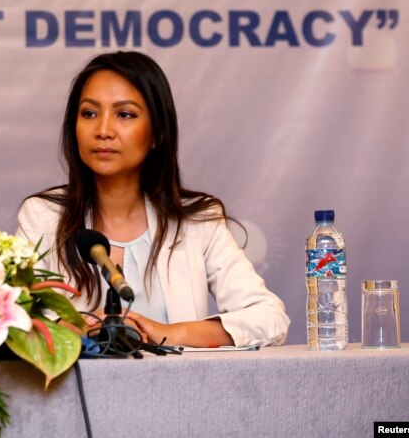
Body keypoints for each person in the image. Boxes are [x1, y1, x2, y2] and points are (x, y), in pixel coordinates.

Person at [16, 51, 289, 348]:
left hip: (180, 393)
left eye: (125, 114)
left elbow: (270, 318)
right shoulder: (43, 216)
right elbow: (9, 323)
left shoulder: (197, 221)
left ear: (157, 132)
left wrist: (168, 333)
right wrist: (74, 327)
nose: (103, 131)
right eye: (89, 113)